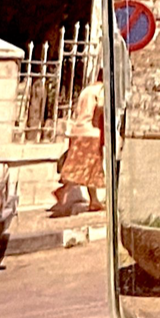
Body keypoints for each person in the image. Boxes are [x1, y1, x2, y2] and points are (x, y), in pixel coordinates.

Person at [56, 67, 106, 214]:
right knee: (83, 167)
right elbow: (101, 107)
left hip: (78, 130)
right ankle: (63, 191)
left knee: (90, 168)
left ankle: (94, 201)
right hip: (90, 132)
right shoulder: (101, 90)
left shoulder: (87, 90)